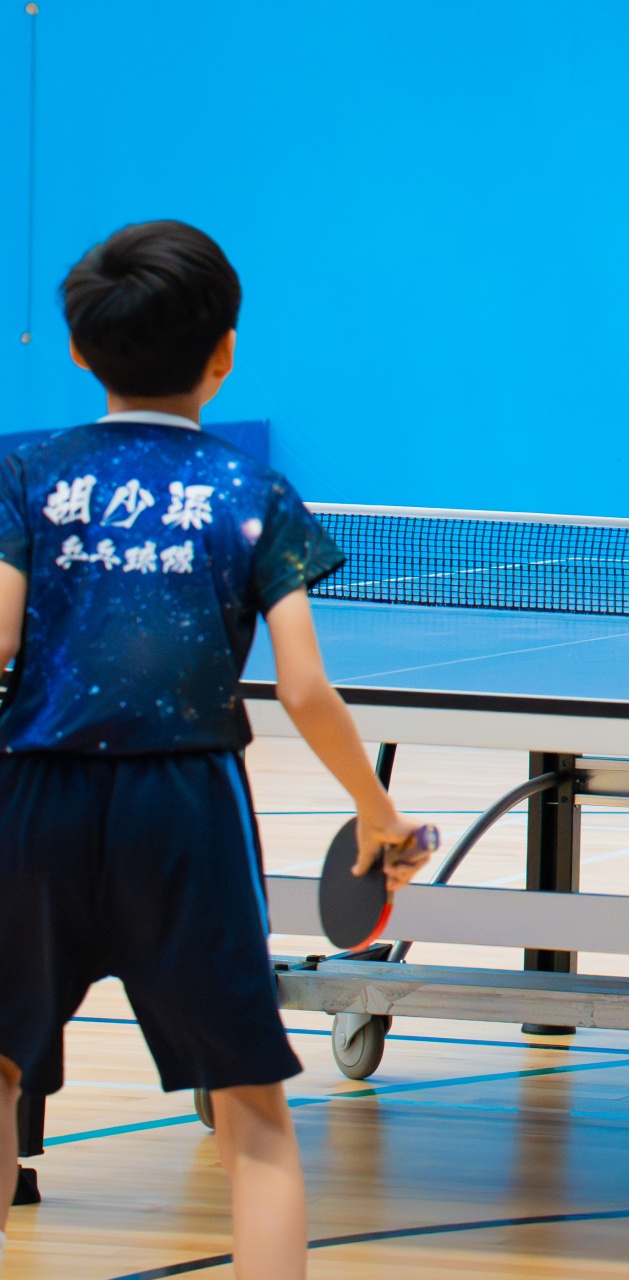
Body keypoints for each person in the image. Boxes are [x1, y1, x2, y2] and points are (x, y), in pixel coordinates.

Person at [0, 221, 432, 1278]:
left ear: (77, 349)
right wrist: (376, 812)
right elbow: (303, 688)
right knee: (252, 1108)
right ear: (225, 352)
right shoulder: (252, 492)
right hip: (186, 806)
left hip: (36, 796)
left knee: (0, 1068)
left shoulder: (27, 473)